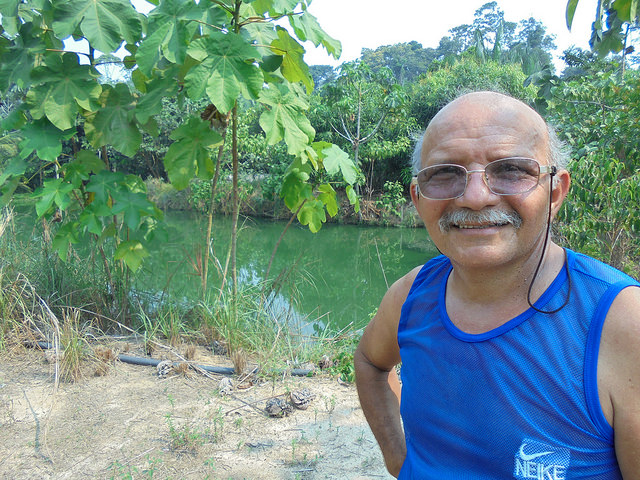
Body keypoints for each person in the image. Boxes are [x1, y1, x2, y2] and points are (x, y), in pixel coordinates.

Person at [354, 91, 640, 479]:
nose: (475, 197)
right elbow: (371, 363)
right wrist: (399, 461)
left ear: (555, 192)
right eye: (444, 173)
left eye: (511, 171)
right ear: (417, 197)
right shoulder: (410, 296)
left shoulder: (622, 324)